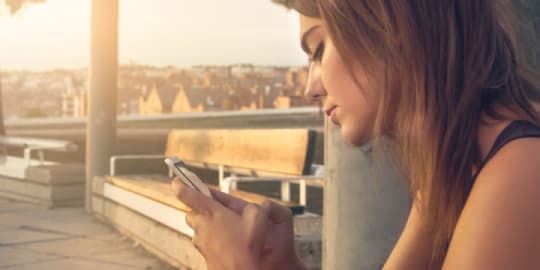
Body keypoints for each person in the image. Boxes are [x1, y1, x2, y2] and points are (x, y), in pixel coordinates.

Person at [172, 0, 540, 269]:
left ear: (392, 24)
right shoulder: (455, 164)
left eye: (318, 50)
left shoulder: (521, 174)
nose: (311, 88)